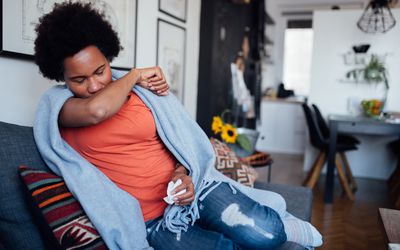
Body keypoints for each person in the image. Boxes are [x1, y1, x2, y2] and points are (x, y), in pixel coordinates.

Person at [33, 2, 322, 249]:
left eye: (100, 71)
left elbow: (179, 144)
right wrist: (134, 74)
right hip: (152, 220)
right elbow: (97, 110)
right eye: (79, 80)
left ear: (109, 58)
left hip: (196, 191)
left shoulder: (139, 96)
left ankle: (282, 224)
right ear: (61, 76)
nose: (94, 85)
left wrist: (181, 174)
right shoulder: (63, 108)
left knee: (265, 235)